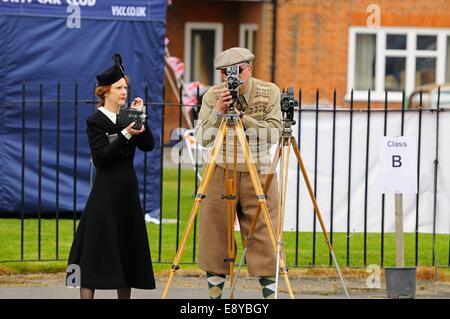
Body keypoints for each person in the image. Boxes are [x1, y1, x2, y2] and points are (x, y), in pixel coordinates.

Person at [195, 47, 283, 299]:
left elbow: (274, 134)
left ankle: (269, 296)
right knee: (215, 233)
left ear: (250, 69)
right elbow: (203, 138)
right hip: (221, 167)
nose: (230, 78)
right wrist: (219, 111)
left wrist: (246, 120)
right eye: (224, 73)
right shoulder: (213, 96)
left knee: (265, 234)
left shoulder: (269, 92)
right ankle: (216, 298)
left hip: (259, 169)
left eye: (237, 71)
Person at [66, 53, 156, 299]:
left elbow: (149, 146)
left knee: (126, 246)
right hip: (105, 191)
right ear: (106, 91)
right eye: (119, 88)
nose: (124, 92)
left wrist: (141, 118)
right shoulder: (95, 120)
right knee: (96, 248)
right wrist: (125, 134)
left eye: (125, 87)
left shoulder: (128, 116)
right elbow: (102, 158)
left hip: (127, 190)